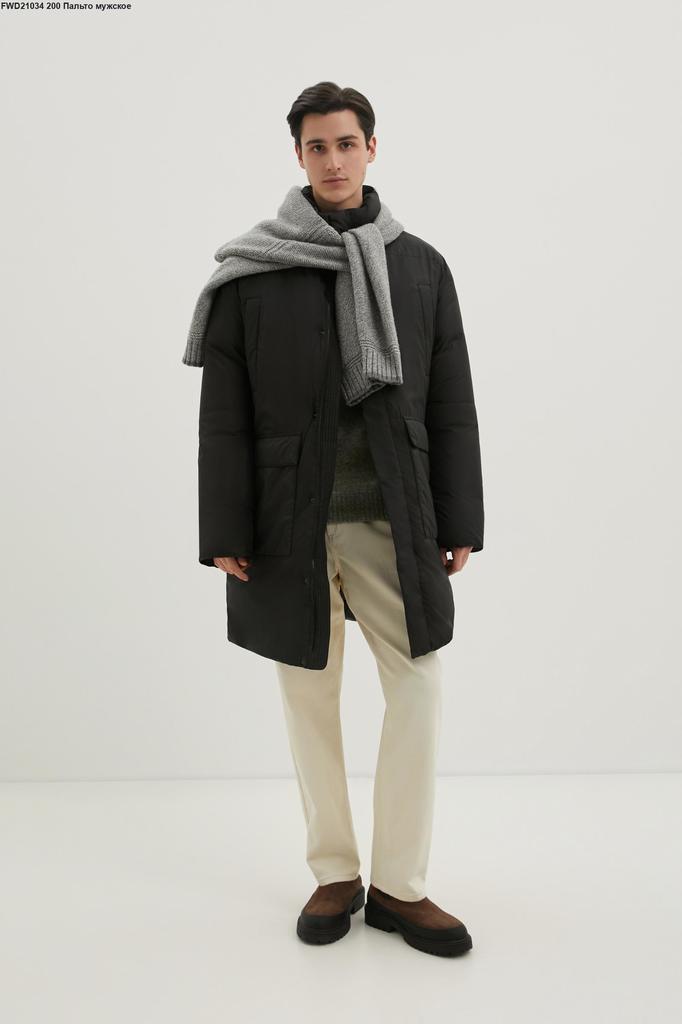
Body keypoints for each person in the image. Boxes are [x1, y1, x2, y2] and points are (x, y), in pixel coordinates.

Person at [183, 82, 484, 958]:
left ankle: (399, 885)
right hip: (290, 521)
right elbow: (224, 413)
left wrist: (459, 516)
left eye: (346, 143)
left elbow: (453, 402)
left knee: (418, 685)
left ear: (371, 148)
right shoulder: (255, 271)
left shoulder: (420, 266)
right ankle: (334, 872)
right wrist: (225, 530)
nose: (333, 160)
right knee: (308, 695)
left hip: (395, 516)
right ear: (299, 157)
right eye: (317, 146)